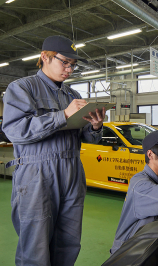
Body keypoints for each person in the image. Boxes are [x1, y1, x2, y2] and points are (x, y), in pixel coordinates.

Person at [2, 35, 105, 266]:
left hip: (71, 171)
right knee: (35, 245)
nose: (69, 69)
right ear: (44, 57)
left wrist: (95, 126)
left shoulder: (73, 95)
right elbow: (16, 131)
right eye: (64, 62)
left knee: (68, 241)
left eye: (73, 65)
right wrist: (63, 115)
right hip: (36, 174)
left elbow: (85, 136)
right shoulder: (21, 88)